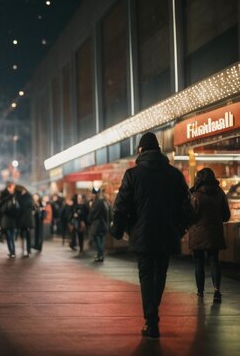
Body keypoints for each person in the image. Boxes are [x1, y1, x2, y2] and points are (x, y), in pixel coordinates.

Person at [110, 132, 194, 339]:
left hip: (142, 233)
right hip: (167, 233)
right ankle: (152, 312)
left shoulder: (133, 174)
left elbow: (121, 206)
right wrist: (180, 228)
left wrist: (118, 229)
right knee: (160, 273)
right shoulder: (174, 175)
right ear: (158, 150)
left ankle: (151, 320)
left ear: (141, 150)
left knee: (146, 274)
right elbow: (187, 207)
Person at [188, 168, 230, 303]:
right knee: (214, 261)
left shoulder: (195, 195)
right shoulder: (220, 193)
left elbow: (190, 216)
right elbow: (226, 215)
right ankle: (217, 290)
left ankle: (200, 292)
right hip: (215, 231)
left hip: (198, 233)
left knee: (198, 263)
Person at [0, 182, 21, 258]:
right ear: (9, 188)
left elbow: (17, 209)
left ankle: (12, 252)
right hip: (6, 220)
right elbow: (1, 208)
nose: (13, 189)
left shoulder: (15, 196)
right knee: (9, 237)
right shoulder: (4, 196)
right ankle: (12, 251)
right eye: (12, 188)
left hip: (12, 220)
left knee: (11, 237)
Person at [88, 187, 110, 262]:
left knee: (97, 240)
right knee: (101, 240)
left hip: (97, 225)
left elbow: (92, 213)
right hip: (103, 224)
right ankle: (100, 255)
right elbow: (107, 214)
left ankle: (101, 255)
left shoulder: (96, 202)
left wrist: (91, 207)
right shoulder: (104, 202)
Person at [18, 188, 35, 257]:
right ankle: (26, 250)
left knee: (25, 236)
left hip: (26, 220)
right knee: (25, 236)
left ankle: (26, 250)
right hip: (25, 221)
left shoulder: (25, 198)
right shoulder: (28, 198)